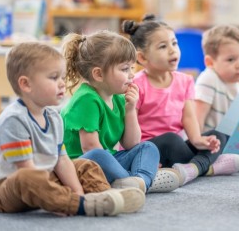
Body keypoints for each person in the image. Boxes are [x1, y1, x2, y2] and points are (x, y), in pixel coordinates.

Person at [0, 42, 145, 216]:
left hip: (45, 178)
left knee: (84, 164)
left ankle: (105, 196)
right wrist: (74, 199)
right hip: (7, 190)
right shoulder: (14, 120)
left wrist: (77, 191)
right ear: (26, 84)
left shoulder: (53, 116)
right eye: (53, 77)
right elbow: (27, 170)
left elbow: (62, 160)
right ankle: (79, 205)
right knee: (28, 177)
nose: (62, 84)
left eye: (62, 77)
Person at [122, 15, 239, 186]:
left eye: (174, 43)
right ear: (142, 58)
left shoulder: (185, 80)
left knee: (219, 134)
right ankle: (209, 166)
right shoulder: (135, 85)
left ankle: (193, 168)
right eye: (163, 46)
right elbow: (128, 129)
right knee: (171, 139)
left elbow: (188, 117)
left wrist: (197, 139)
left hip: (178, 148)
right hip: (148, 149)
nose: (172, 50)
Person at [61, 30, 180, 194]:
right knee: (98, 154)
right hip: (81, 165)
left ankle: (139, 181)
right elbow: (89, 147)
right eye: (125, 69)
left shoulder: (117, 97)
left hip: (110, 161)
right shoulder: (86, 99)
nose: (132, 74)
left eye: (132, 67)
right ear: (99, 74)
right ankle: (134, 180)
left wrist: (131, 110)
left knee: (147, 147)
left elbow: (131, 143)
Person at [194, 24, 239, 170]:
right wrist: (197, 142)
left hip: (232, 141)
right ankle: (215, 165)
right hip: (212, 143)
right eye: (231, 60)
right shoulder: (209, 78)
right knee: (220, 135)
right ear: (210, 62)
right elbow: (197, 118)